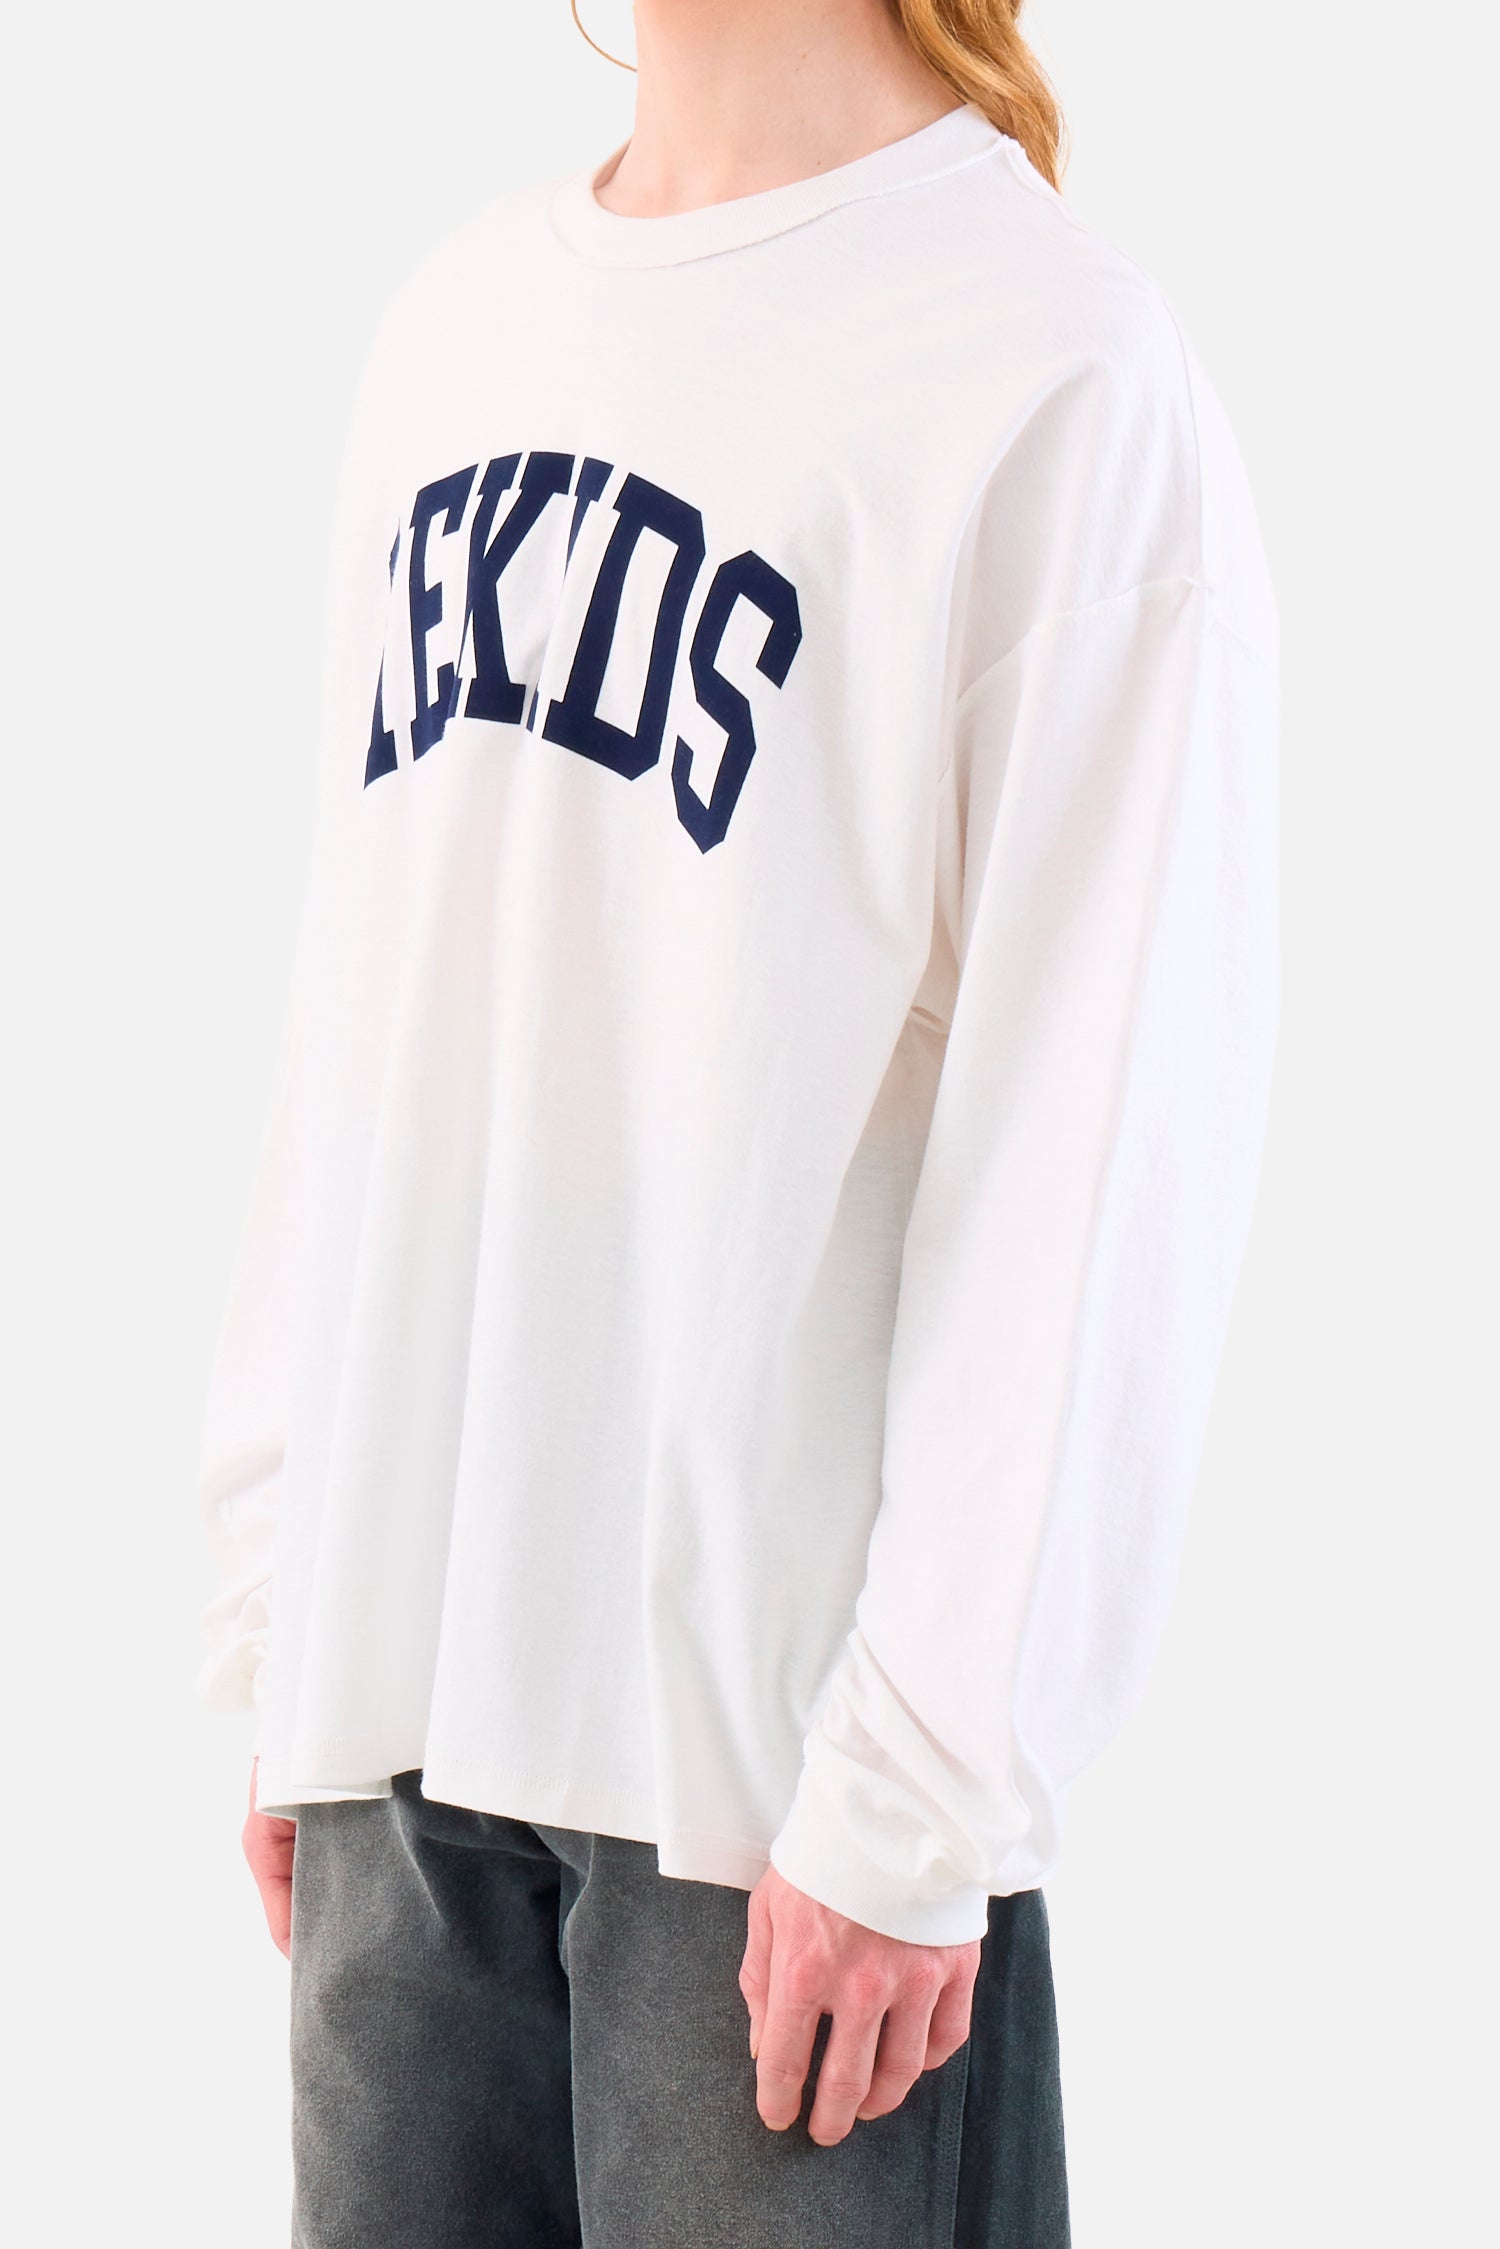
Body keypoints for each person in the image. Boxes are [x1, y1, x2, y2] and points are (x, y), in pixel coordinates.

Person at [194, 2, 1279, 2242]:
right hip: (400, 1719)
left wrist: (916, 1789)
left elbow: (1094, 1139)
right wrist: (288, 1603)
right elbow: (375, 1002)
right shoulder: (460, 324)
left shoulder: (1051, 361)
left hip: (774, 1811)